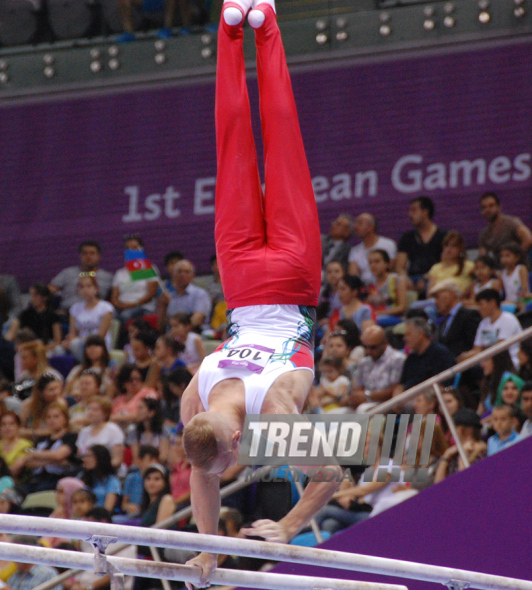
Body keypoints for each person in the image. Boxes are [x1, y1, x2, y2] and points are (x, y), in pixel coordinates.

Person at [180, 2, 341, 582]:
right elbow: (201, 468)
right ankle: (235, 28)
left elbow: (329, 475)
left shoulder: (273, 416)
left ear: (238, 439)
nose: (224, 470)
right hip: (242, 276)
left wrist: (290, 524)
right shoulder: (195, 404)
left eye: (227, 462)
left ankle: (263, 26)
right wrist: (209, 547)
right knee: (236, 149)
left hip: (295, 275)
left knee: (280, 141)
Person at [393, 318, 455, 399]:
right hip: (407, 399)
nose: (404, 338)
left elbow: (443, 385)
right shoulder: (411, 358)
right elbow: (400, 385)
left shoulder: (441, 354)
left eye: (408, 334)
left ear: (420, 334)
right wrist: (397, 400)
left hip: (428, 399)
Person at [460, 289, 523, 368]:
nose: (479, 309)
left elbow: (500, 349)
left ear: (492, 303)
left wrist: (476, 353)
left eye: (481, 304)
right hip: (487, 361)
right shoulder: (483, 323)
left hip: (508, 361)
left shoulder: (508, 319)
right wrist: (465, 356)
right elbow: (477, 348)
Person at [395, 196, 447, 291]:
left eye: (414, 211)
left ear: (425, 212)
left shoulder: (444, 236)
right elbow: (399, 267)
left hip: (436, 278)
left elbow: (448, 263)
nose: (410, 215)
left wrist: (427, 277)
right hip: (413, 280)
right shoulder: (407, 238)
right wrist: (405, 278)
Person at [349, 326, 405, 411]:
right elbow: (358, 388)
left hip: (386, 404)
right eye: (365, 347)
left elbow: (395, 388)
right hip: (365, 402)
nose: (367, 351)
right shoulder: (364, 362)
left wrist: (368, 395)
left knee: (362, 409)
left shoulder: (397, 359)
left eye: (373, 347)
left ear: (384, 343)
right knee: (336, 413)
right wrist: (357, 397)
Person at [110, 235, 160, 324]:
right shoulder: (120, 273)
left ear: (141, 249)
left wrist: (132, 305)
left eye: (134, 248)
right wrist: (119, 305)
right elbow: (114, 297)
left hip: (142, 307)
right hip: (122, 307)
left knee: (125, 316)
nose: (131, 251)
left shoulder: (149, 269)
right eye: (127, 248)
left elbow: (151, 294)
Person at [50, 241, 113, 311]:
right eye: (85, 253)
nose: (88, 257)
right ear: (80, 255)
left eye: (92, 253)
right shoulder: (67, 273)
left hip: (95, 315)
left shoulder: (108, 277)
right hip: (66, 313)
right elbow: (49, 290)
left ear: (99, 256)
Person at [63, 272, 115, 358]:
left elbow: (100, 336)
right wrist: (68, 341)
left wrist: (78, 340)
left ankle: (86, 366)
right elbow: (72, 333)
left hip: (97, 345)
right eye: (81, 287)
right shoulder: (75, 308)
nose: (85, 290)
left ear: (96, 289)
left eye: (89, 286)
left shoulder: (106, 308)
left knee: (75, 344)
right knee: (59, 349)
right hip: (79, 344)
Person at [430, 279, 481, 360]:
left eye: (438, 297)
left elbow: (471, 344)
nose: (436, 302)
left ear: (451, 294)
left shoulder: (470, 315)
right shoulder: (443, 321)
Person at [434, 408, 486, 482]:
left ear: (462, 430)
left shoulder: (480, 451)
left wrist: (463, 454)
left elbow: (464, 480)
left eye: (455, 427)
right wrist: (446, 457)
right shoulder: (453, 453)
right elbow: (438, 483)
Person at [477, 192, 532, 259]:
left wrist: (516, 258)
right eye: (484, 207)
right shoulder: (485, 234)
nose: (487, 210)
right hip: (499, 268)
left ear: (499, 207)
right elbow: (482, 256)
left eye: (491, 206)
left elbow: (528, 239)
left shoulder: (511, 223)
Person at [75, 396, 125, 469]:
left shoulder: (113, 430)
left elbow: (117, 460)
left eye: (95, 410)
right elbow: (80, 455)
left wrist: (100, 467)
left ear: (105, 413)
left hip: (108, 470)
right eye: (89, 409)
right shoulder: (84, 432)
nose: (90, 412)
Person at [347, 214, 397, 285]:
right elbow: (353, 276)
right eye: (355, 223)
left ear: (370, 227)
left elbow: (392, 269)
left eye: (359, 223)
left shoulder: (388, 244)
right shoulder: (354, 251)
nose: (355, 226)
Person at [163, 260, 212, 330]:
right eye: (179, 271)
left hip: (194, 333)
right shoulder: (169, 297)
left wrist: (177, 332)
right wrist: (163, 308)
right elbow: (162, 327)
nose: (182, 275)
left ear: (193, 276)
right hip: (172, 336)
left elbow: (196, 320)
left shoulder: (200, 294)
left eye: (186, 272)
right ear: (173, 275)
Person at [366, 249, 408, 327]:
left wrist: (380, 313)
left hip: (396, 318)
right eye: (370, 263)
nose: (373, 265)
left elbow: (402, 307)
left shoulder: (397, 280)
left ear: (387, 264)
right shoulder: (370, 283)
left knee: (372, 321)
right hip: (376, 316)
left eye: (377, 262)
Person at [427, 231, 475, 297]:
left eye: (453, 246)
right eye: (446, 245)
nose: (449, 249)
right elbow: (430, 293)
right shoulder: (436, 268)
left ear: (460, 249)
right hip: (438, 302)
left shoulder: (469, 266)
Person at [0, 411, 33, 477]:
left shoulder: (26, 445)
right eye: (4, 424)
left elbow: (15, 468)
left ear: (18, 427)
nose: (7, 427)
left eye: (12, 424)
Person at [18, 284, 62, 352]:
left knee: (58, 349)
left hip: (48, 346)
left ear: (44, 297)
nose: (32, 298)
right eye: (31, 295)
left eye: (35, 296)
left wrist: (45, 348)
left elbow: (57, 340)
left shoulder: (53, 316)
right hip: (29, 346)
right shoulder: (25, 314)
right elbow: (21, 335)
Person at [78, 445, 121, 512]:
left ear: (100, 458)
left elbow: (108, 509)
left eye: (89, 456)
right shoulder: (81, 476)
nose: (85, 459)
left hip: (99, 517)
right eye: (84, 456)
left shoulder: (112, 481)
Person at [499, 242, 530, 311]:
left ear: (516, 257)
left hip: (521, 302)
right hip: (508, 303)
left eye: (507, 256)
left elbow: (524, 291)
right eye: (502, 256)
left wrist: (517, 302)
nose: (504, 259)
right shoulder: (502, 274)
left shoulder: (521, 269)